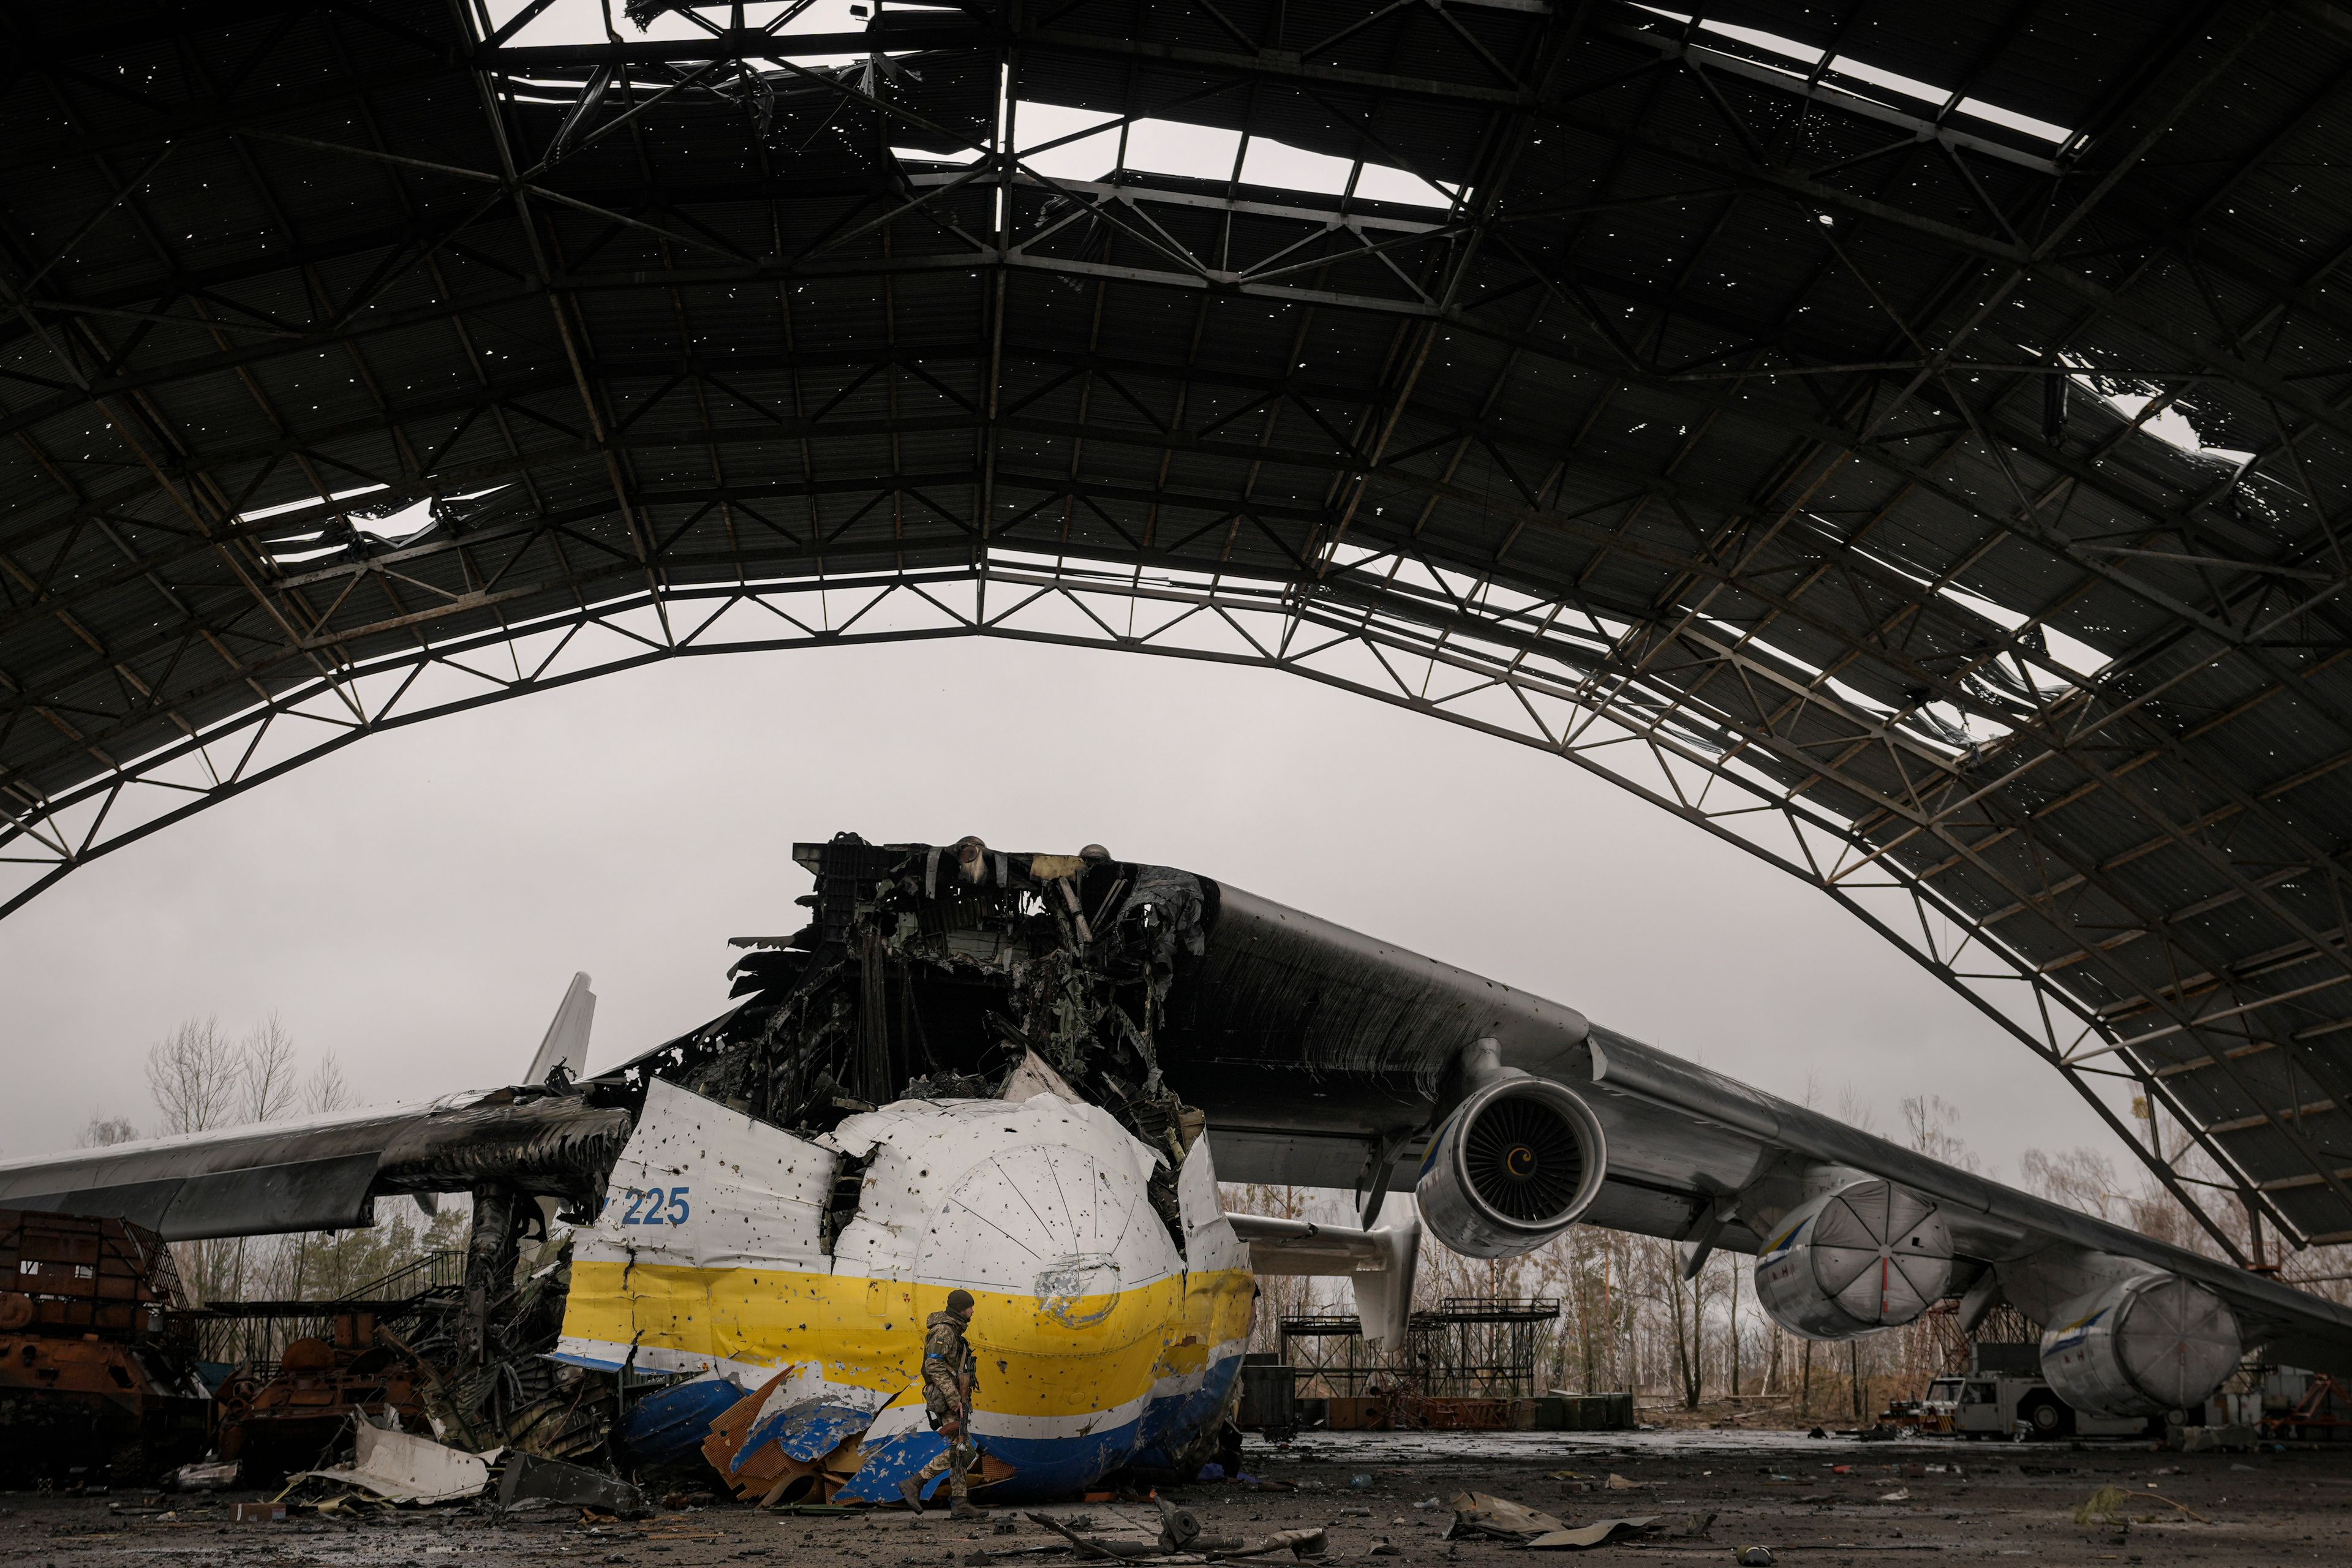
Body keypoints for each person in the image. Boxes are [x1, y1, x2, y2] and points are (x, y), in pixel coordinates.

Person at [901, 1287, 982, 1517]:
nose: (972, 1311)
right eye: (970, 1307)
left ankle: (960, 1502)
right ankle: (916, 1482)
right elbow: (933, 1365)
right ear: (960, 1309)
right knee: (962, 1450)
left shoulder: (954, 1331)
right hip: (947, 1398)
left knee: (960, 1445)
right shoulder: (944, 1332)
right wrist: (954, 1397)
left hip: (955, 1397)